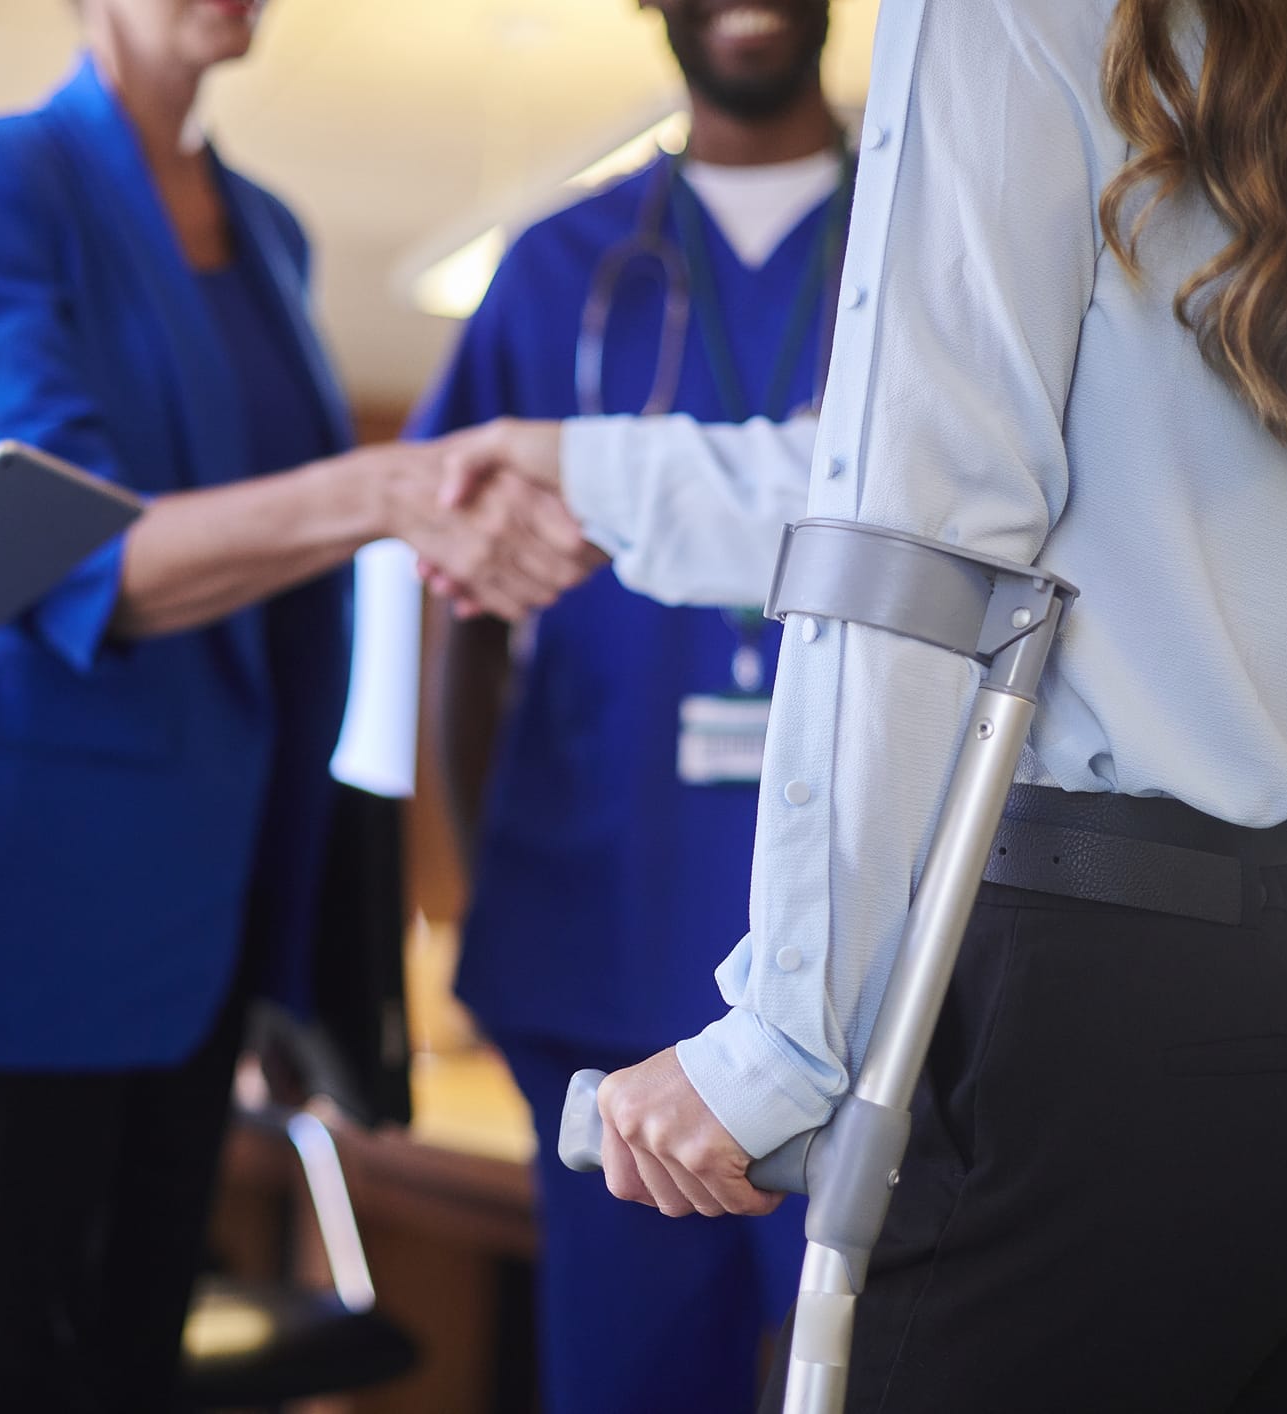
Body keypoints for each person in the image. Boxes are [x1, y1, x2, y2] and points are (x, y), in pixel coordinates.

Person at [436, 0, 1287, 1408]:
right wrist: (583, 477)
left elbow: (914, 530)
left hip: (1097, 997)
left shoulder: (1005, 16)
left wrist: (776, 1038)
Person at [0, 1, 598, 1409]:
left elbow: (277, 607)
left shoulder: (270, 232)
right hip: (14, 913)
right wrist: (382, 487)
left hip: (202, 926)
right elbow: (69, 556)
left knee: (129, 1379)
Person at [409, 0, 847, 1406]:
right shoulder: (556, 271)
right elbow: (458, 608)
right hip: (599, 933)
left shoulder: (941, 256)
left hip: (876, 952)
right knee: (626, 1379)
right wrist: (486, 881)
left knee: (877, 1368)